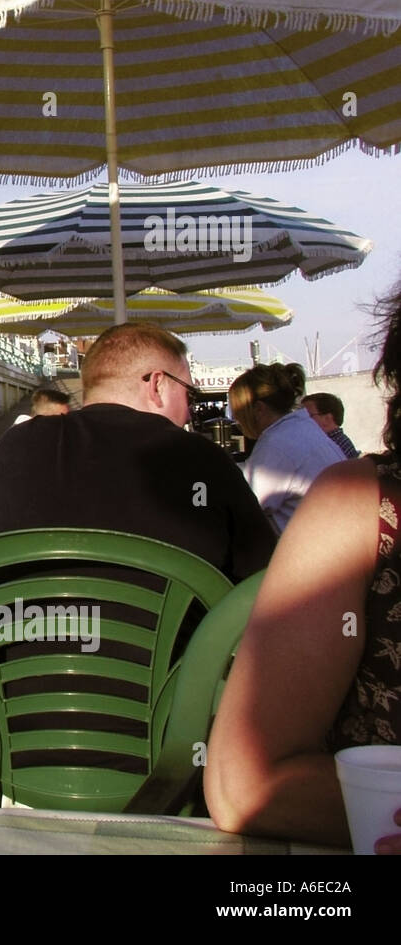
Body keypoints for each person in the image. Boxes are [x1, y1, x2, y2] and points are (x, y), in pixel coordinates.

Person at [205, 288, 401, 853]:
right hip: (314, 592)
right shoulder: (304, 438)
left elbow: (237, 517)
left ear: (252, 413)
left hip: (309, 587)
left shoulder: (277, 449)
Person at [0, 322, 275, 584]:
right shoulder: (201, 457)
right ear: (157, 384)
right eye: (189, 394)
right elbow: (261, 577)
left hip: (16, 640)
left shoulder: (17, 444)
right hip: (179, 645)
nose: (188, 411)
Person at [229, 364, 345, 533]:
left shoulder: (277, 443)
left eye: (238, 413)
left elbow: (242, 505)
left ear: (259, 409)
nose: (237, 420)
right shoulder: (302, 428)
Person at [0, 385, 71, 488]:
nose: (66, 425)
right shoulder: (27, 439)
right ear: (44, 418)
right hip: (4, 499)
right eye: (62, 420)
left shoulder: (20, 431)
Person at [303, 391, 361, 459]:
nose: (300, 420)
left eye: (307, 415)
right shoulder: (335, 441)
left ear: (327, 418)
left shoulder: (333, 446)